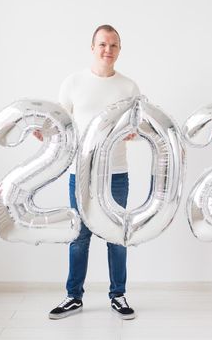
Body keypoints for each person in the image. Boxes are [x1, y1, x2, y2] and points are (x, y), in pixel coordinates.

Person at [38, 24, 139, 320]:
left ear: (119, 50)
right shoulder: (73, 83)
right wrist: (44, 132)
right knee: (79, 236)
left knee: (116, 236)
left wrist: (133, 133)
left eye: (114, 46)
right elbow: (60, 123)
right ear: (93, 48)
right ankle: (73, 297)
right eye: (103, 45)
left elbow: (136, 124)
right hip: (79, 173)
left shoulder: (129, 87)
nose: (108, 50)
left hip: (116, 173)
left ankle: (118, 295)